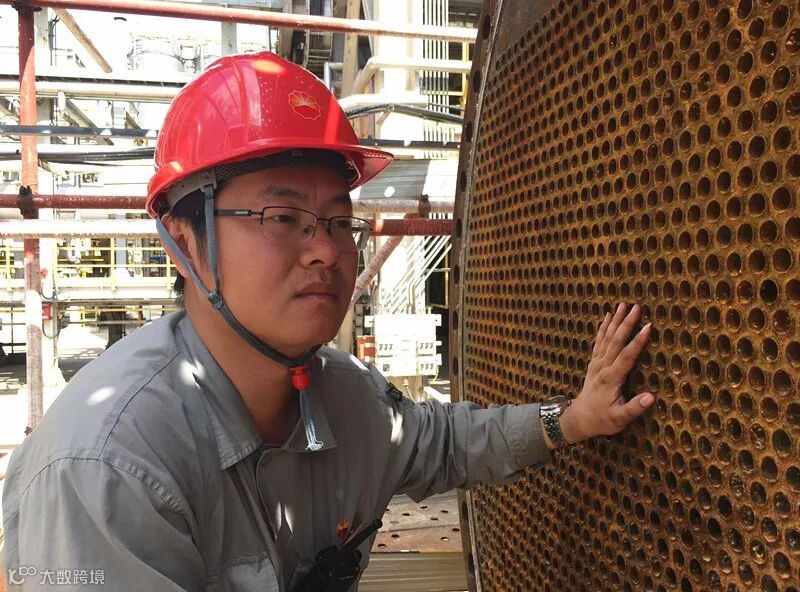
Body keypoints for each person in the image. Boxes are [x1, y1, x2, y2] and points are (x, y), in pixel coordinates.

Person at [1, 52, 654, 591]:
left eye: (340, 222)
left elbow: (445, 442)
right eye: (282, 218)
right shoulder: (108, 468)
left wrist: (572, 420)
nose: (324, 249)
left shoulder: (345, 397)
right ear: (186, 243)